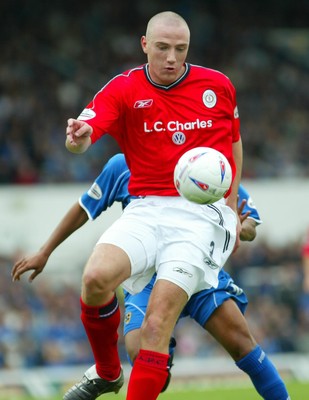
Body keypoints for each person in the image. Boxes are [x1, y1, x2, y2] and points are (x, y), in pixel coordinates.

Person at [63, 11, 289, 400]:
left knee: (158, 326)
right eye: (163, 48)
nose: (171, 57)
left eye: (180, 50)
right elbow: (83, 136)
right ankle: (107, 371)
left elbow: (234, 144)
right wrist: (77, 139)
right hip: (147, 207)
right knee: (95, 279)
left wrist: (232, 206)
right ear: (144, 45)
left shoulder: (217, 86)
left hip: (203, 215)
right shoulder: (123, 88)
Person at [12, 154, 290, 400]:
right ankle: (158, 356)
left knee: (242, 343)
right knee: (137, 351)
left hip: (198, 274)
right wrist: (45, 251)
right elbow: (84, 207)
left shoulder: (202, 162)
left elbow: (250, 219)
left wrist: (243, 227)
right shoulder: (123, 165)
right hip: (147, 278)